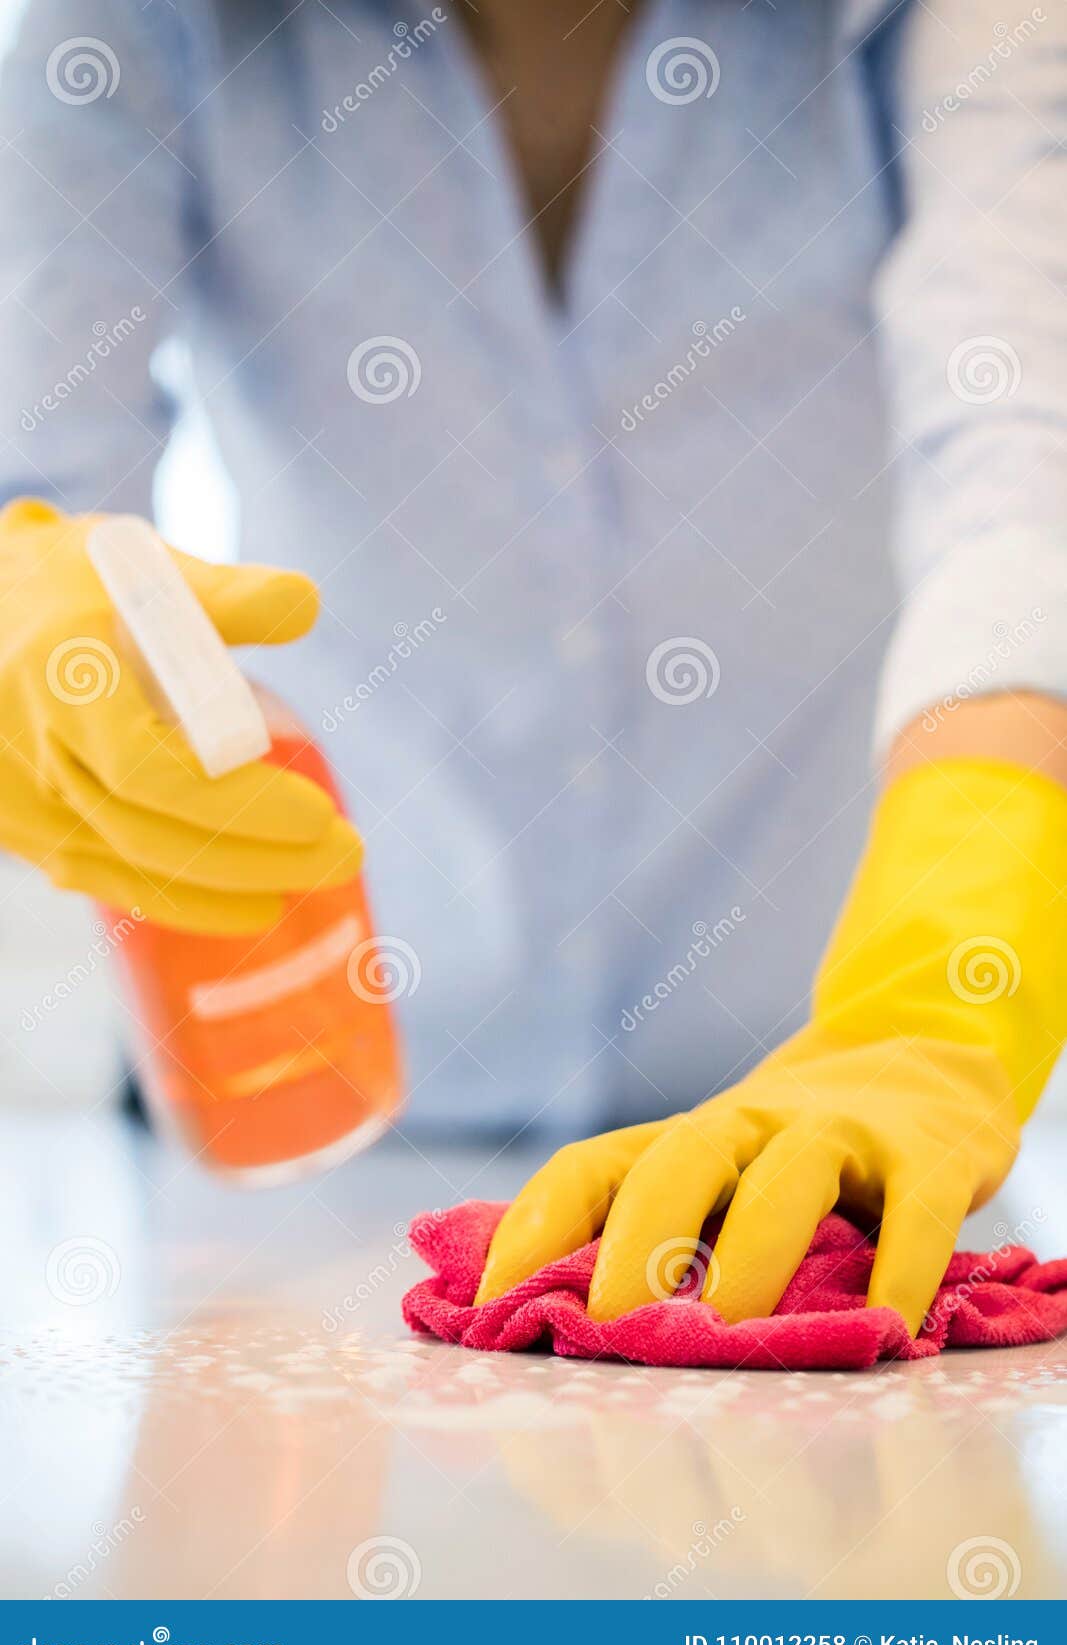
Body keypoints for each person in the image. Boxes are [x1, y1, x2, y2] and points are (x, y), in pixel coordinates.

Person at [1, 0, 1065, 1337]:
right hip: (291, 1165)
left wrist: (930, 1005)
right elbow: (31, 469)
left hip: (843, 1168)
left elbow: (1023, 486)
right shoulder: (142, 27)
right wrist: (22, 595)